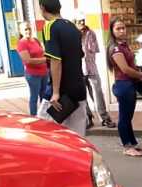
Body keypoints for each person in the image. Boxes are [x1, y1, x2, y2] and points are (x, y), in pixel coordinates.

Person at [39, 0, 88, 136]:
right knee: (77, 135)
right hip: (78, 89)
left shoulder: (50, 27)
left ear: (42, 8)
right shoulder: (72, 26)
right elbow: (79, 54)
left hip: (61, 92)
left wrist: (55, 92)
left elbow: (56, 60)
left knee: (44, 132)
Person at [107, 17, 142, 156]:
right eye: (118, 28)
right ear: (112, 31)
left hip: (129, 84)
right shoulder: (115, 48)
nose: (122, 31)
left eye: (123, 28)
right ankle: (127, 146)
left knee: (128, 116)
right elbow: (125, 69)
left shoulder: (123, 45)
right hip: (123, 85)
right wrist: (140, 75)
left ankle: (132, 142)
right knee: (124, 117)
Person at [76, 17, 116, 128]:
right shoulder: (73, 35)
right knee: (82, 96)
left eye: (83, 20)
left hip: (91, 68)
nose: (82, 23)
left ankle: (104, 118)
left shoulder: (91, 33)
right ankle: (88, 118)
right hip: (79, 70)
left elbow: (95, 50)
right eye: (79, 21)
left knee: (98, 93)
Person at [17, 23, 48, 116]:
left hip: (44, 72)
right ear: (21, 31)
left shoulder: (35, 40)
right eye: (25, 29)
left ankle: (45, 117)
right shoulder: (22, 43)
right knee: (34, 97)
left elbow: (43, 52)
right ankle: (34, 117)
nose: (28, 31)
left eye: (29, 29)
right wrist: (44, 60)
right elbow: (27, 60)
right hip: (33, 75)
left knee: (45, 97)